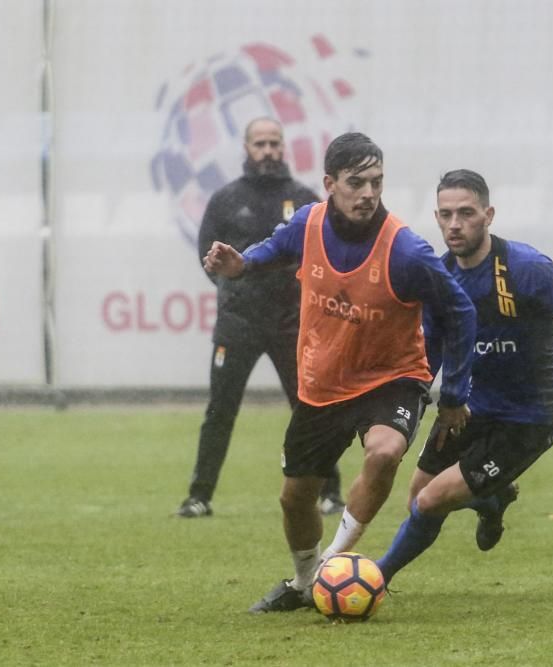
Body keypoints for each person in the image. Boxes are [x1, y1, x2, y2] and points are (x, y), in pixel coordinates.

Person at [201, 132, 476, 613]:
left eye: (377, 182)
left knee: (385, 451)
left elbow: (461, 311)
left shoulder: (406, 251)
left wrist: (453, 392)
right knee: (294, 500)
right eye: (357, 183)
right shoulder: (307, 223)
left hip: (391, 376)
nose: (369, 193)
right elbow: (274, 246)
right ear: (329, 183)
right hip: (323, 383)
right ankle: (307, 580)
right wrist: (241, 265)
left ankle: (334, 563)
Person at [375, 169, 553, 586]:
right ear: (436, 217)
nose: (455, 224)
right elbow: (429, 351)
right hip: (471, 408)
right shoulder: (438, 277)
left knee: (431, 501)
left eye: (466, 213)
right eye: (446, 214)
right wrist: (401, 402)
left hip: (530, 418)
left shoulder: (526, 267)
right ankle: (489, 499)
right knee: (416, 498)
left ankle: (375, 579)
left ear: (488, 215)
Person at [175, 117, 345, 519]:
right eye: (260, 144)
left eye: (274, 143)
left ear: (283, 147)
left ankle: (330, 492)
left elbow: (321, 256)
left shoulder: (303, 199)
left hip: (292, 325)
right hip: (238, 325)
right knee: (220, 409)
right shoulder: (226, 200)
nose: (268, 151)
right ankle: (199, 496)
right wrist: (236, 293)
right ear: (246, 148)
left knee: (309, 408)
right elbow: (209, 258)